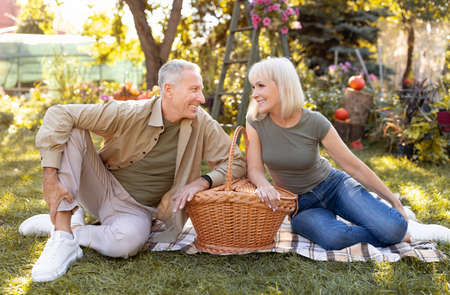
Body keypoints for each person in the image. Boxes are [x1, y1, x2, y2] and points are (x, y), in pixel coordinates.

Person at [19, 59, 246, 282]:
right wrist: (50, 177)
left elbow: (236, 161)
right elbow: (59, 113)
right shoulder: (131, 112)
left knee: (126, 244)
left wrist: (202, 181)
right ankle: (61, 235)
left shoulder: (201, 122)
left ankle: (71, 228)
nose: (202, 98)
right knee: (73, 128)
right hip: (100, 186)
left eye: (201, 90)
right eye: (194, 90)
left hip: (136, 210)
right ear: (169, 90)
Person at [245, 57, 449, 251]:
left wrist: (394, 201)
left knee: (392, 227)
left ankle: (398, 223)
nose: (254, 93)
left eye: (260, 86)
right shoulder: (255, 122)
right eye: (253, 86)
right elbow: (254, 168)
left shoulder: (314, 121)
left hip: (334, 186)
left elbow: (353, 165)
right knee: (335, 238)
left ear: (283, 85)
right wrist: (263, 185)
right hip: (301, 205)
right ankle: (400, 234)